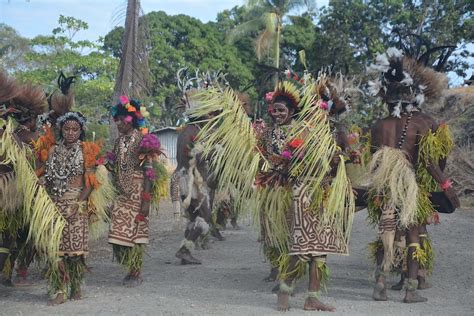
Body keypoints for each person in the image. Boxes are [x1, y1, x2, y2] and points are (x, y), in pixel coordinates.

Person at [366, 47, 460, 303]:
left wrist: (375, 187)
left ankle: (381, 283)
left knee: (385, 232)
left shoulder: (377, 126)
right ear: (413, 96)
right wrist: (446, 185)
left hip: (385, 188)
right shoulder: (421, 123)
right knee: (412, 235)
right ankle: (410, 290)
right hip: (410, 188)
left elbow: (373, 162)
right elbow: (429, 161)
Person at [43, 111, 107, 305]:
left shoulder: (86, 150)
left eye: (75, 129)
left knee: (75, 251)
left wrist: (78, 203)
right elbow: (48, 177)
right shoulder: (53, 150)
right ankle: (60, 288)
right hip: (54, 203)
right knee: (55, 250)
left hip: (76, 203)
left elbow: (89, 183)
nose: (71, 133)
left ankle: (76, 285)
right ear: (60, 129)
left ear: (81, 130)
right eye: (67, 129)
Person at [108, 96, 166, 285]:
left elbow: (149, 171)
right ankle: (129, 266)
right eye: (116, 120)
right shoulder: (118, 142)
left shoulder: (142, 140)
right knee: (117, 237)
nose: (118, 124)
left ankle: (135, 271)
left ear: (131, 119)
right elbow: (114, 167)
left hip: (138, 192)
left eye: (121, 120)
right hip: (120, 193)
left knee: (135, 236)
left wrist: (146, 199)